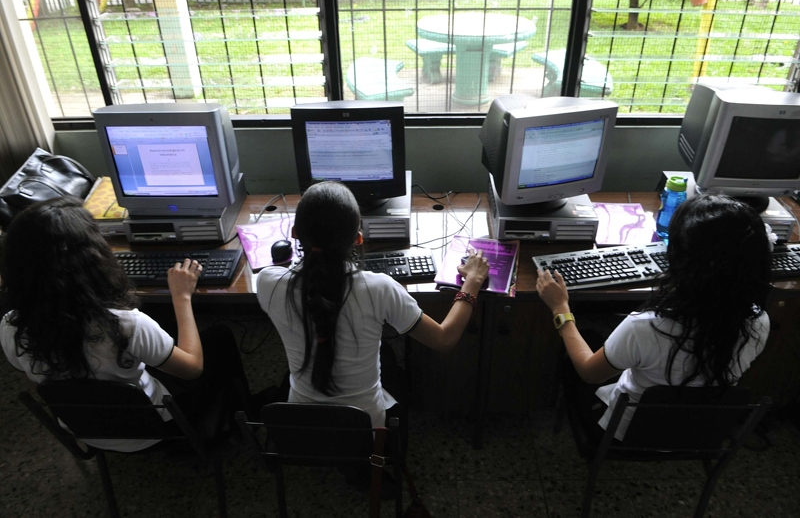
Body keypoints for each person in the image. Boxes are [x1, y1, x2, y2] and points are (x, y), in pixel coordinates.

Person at [0, 196, 253, 452]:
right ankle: (241, 417)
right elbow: (193, 369)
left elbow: (42, 384)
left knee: (150, 344)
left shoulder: (11, 326)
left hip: (87, 431)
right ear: (91, 258)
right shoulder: (124, 325)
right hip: (158, 429)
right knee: (219, 336)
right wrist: (182, 296)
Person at [256, 181, 490, 442]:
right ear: (358, 238)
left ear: (295, 232)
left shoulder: (268, 283)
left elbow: (287, 272)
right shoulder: (379, 288)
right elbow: (444, 340)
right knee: (393, 364)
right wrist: (473, 282)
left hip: (302, 426)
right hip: (364, 428)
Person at [536, 194, 771, 443]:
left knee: (583, 341)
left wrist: (560, 308)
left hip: (627, 432)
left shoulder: (645, 326)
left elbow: (589, 373)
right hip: (700, 433)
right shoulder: (759, 322)